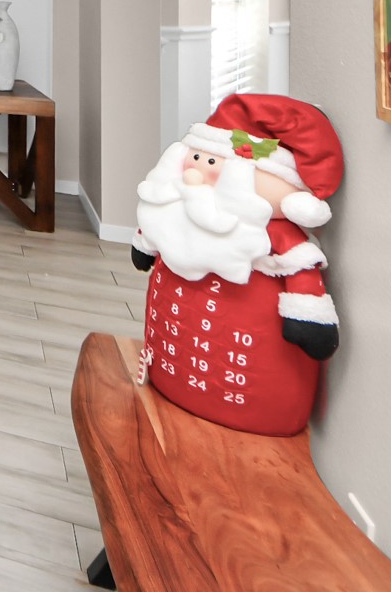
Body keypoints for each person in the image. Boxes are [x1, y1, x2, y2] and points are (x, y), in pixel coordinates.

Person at [130, 95, 344, 436]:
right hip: (176, 351)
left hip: (245, 369)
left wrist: (308, 317)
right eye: (197, 157)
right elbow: (161, 227)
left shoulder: (273, 235)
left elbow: (300, 269)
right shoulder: (182, 208)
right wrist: (145, 244)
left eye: (215, 162)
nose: (201, 170)